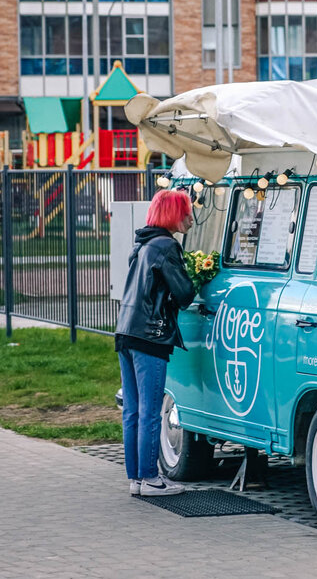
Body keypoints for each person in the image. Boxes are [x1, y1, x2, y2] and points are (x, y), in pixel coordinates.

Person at [116, 188, 199, 497]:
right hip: (150, 334)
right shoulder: (166, 247)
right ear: (173, 215)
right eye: (186, 212)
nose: (191, 218)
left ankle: (136, 478)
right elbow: (185, 294)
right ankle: (151, 478)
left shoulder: (143, 244)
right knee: (151, 410)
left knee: (133, 410)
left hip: (126, 330)